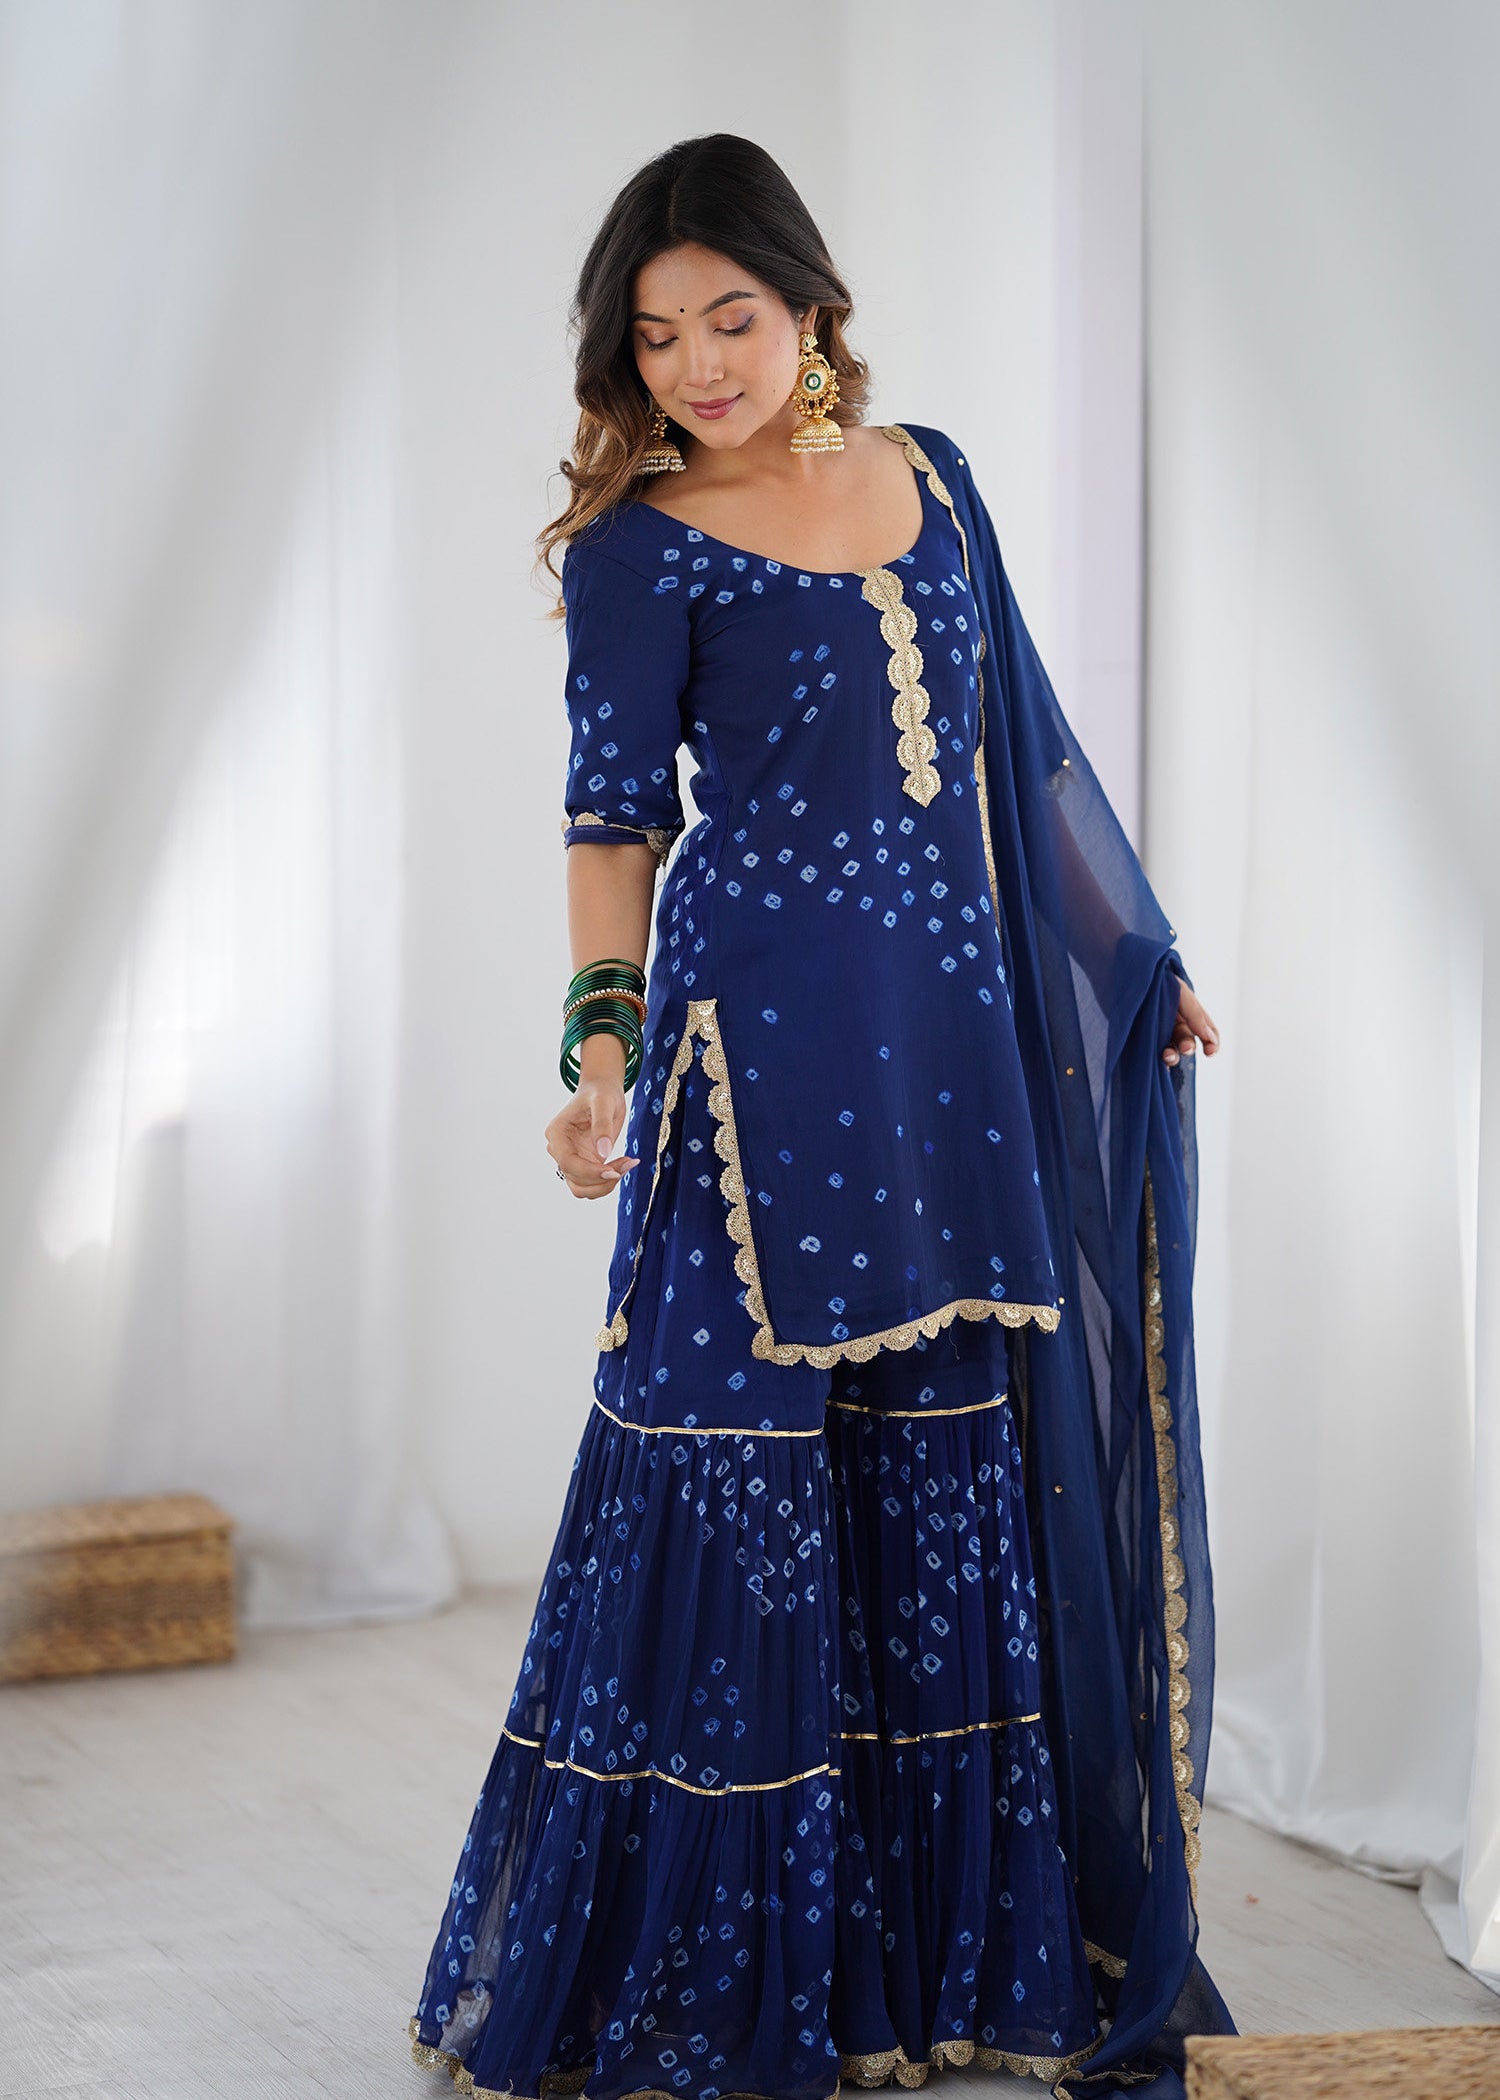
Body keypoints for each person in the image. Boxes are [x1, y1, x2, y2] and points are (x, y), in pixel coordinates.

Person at [407, 133, 1231, 2100]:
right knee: (735, 1499)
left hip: (946, 1062)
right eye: (655, 335)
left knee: (943, 1487)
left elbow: (1026, 752)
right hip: (747, 1073)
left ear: (810, 309)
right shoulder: (641, 546)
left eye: (730, 319)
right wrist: (597, 1060)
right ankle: (713, 1985)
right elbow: (614, 830)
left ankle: (940, 1981)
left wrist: (1137, 961)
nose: (696, 364)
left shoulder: (933, 478)